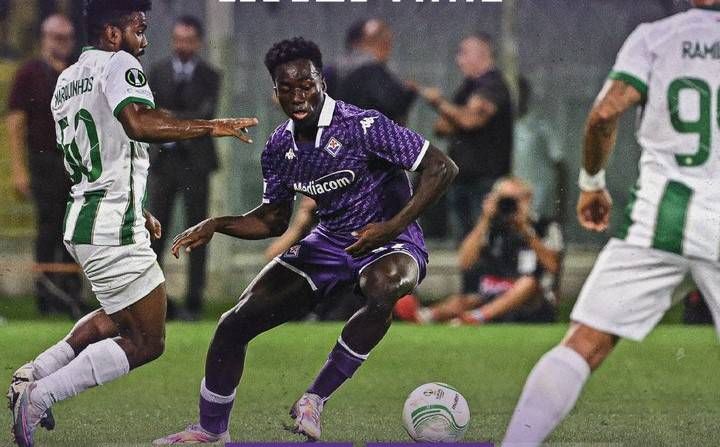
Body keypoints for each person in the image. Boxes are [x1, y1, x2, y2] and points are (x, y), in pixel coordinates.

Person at [154, 37, 457, 444]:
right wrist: (216, 223)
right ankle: (211, 430)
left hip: (392, 240)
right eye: (287, 88)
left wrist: (392, 226)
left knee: (383, 287)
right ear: (275, 92)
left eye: (306, 85)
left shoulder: (363, 126)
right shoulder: (279, 146)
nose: (298, 96)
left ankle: (314, 398)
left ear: (321, 83)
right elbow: (273, 220)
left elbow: (442, 166)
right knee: (233, 324)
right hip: (329, 243)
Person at [7, 2, 257, 446]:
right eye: (138, 29)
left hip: (86, 216)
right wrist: (209, 126)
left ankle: (33, 373)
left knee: (117, 317)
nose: (144, 38)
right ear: (112, 33)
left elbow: (100, 151)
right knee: (147, 339)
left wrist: (136, 206)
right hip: (110, 226)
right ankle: (41, 396)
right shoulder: (119, 63)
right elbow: (138, 124)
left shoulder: (67, 77)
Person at [503, 2, 720, 445]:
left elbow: (604, 114)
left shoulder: (655, 37)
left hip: (659, 223)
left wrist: (592, 183)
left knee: (584, 343)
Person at [395, 177, 562, 324]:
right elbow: (464, 262)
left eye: (514, 200)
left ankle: (475, 317)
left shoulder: (546, 227)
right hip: (494, 294)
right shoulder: (491, 227)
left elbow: (554, 266)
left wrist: (525, 229)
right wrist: (485, 219)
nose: (508, 205)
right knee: (468, 299)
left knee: (527, 283)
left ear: (528, 199)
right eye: (503, 200)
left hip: (533, 301)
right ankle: (425, 316)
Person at [6, 14, 83, 317]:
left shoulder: (78, 73)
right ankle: (46, 295)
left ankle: (71, 295)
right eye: (56, 37)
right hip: (43, 160)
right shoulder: (29, 73)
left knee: (74, 228)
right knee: (49, 227)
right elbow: (15, 122)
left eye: (66, 38)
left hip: (75, 161)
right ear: (44, 38)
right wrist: (18, 169)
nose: (61, 44)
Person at [146, 16, 221, 320]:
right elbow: (149, 113)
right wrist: (181, 120)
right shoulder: (157, 72)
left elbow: (204, 117)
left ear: (198, 42)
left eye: (188, 40)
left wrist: (170, 119)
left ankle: (194, 300)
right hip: (163, 162)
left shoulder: (210, 76)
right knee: (156, 232)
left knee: (197, 232)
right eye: (178, 39)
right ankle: (152, 298)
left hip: (195, 163)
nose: (182, 45)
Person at [418, 33, 513, 241]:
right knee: (464, 243)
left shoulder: (493, 85)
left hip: (485, 181)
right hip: (461, 179)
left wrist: (439, 103)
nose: (458, 60)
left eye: (463, 53)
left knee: (483, 242)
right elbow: (442, 126)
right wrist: (457, 115)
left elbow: (470, 121)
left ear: (482, 53)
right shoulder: (467, 88)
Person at [335, 18, 417, 125]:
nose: (387, 46)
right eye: (379, 40)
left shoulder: (335, 70)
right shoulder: (372, 71)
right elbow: (391, 104)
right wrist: (408, 92)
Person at [512, 77, 566, 222]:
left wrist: (560, 209)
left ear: (525, 95)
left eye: (516, 93)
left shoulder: (540, 126)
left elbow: (560, 166)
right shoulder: (499, 129)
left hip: (538, 207)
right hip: (508, 207)